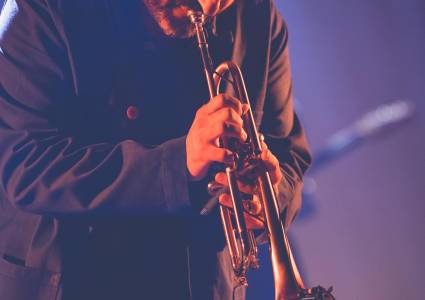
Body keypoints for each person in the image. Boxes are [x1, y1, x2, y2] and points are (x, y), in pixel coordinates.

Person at [0, 0, 311, 299]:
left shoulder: (260, 18)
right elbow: (24, 163)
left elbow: (289, 156)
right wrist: (177, 165)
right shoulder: (45, 7)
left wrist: (267, 198)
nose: (207, 5)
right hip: (78, 280)